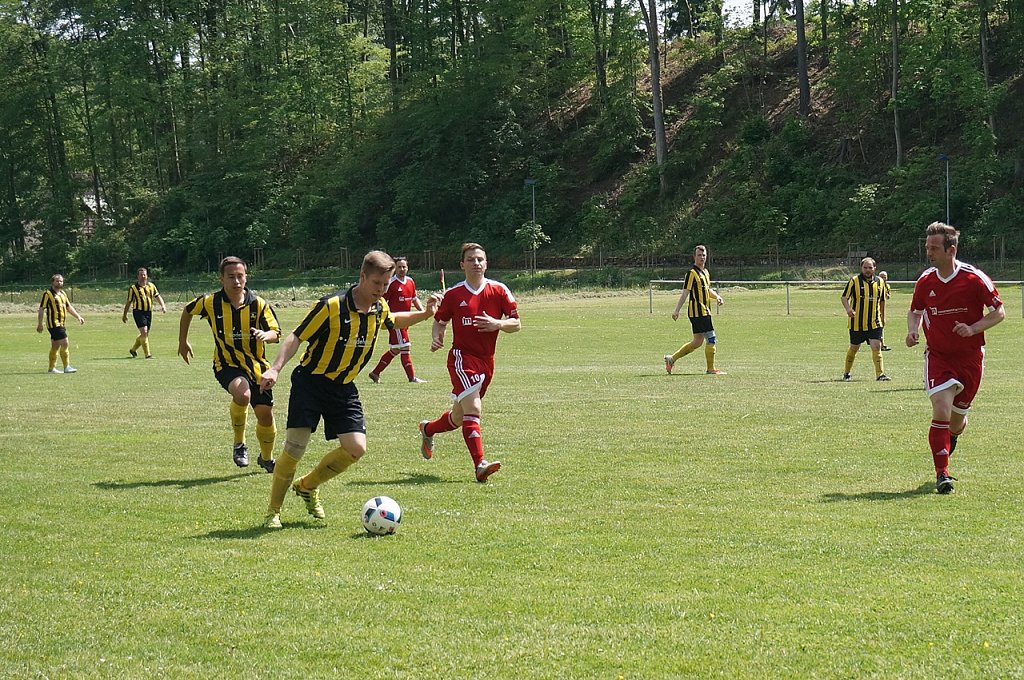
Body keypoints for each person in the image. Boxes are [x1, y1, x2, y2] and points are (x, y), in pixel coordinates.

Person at [258, 251, 441, 529]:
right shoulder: (331, 306)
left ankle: (307, 485)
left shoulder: (379, 307)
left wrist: (425, 314)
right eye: (377, 283)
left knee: (356, 448)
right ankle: (273, 512)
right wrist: (275, 368)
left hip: (343, 388)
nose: (381, 290)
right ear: (362, 276)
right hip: (311, 383)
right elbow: (296, 336)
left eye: (386, 284)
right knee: (294, 450)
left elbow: (394, 320)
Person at [906, 222, 1004, 494]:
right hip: (938, 356)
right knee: (941, 408)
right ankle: (942, 474)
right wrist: (913, 330)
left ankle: (952, 435)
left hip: (970, 358)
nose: (929, 253)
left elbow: (999, 312)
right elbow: (915, 310)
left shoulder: (974, 278)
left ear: (951, 250)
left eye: (934, 248)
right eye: (927, 247)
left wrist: (973, 329)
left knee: (957, 422)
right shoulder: (926, 280)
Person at [418, 243, 521, 483]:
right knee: (474, 409)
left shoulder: (499, 290)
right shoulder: (454, 294)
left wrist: (497, 324)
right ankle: (480, 465)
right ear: (462, 265)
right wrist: (437, 336)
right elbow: (440, 321)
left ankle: (428, 429)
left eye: (480, 259)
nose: (476, 263)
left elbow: (516, 323)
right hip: (461, 358)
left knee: (458, 417)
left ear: (486, 263)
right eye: (471, 259)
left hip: (487, 361)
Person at [178, 256, 281, 472]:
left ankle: (266, 458)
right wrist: (183, 341)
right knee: (243, 394)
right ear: (222, 279)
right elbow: (187, 310)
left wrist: (266, 335)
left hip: (258, 367)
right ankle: (239, 444)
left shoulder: (258, 304)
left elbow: (276, 332)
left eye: (240, 276)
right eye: (231, 277)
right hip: (226, 364)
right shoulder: (210, 302)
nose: (236, 281)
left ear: (246, 278)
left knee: (265, 415)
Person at [664, 245, 725, 375]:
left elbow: (707, 290)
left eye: (704, 255)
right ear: (694, 257)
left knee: (697, 342)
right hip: (698, 312)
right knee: (711, 338)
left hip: (705, 311)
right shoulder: (691, 273)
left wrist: (717, 297)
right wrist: (676, 310)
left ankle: (671, 359)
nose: (702, 258)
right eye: (699, 255)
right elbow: (685, 292)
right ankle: (711, 369)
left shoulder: (706, 272)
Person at [368, 256, 428, 384]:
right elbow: (382, 301)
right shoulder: (391, 284)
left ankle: (375, 373)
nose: (402, 269)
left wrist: (423, 312)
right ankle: (412, 378)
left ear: (407, 268)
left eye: (404, 266)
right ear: (395, 269)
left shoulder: (410, 281)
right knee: (405, 347)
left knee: (395, 349)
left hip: (406, 322)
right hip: (395, 321)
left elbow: (414, 298)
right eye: (399, 267)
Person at [840, 257, 889, 381]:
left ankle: (880, 374)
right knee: (854, 348)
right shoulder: (854, 281)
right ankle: (847, 373)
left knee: (876, 346)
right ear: (861, 268)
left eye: (870, 267)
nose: (867, 270)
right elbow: (844, 297)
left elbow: (882, 301)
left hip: (874, 322)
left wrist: (883, 317)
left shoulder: (880, 282)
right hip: (857, 323)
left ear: (874, 268)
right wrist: (848, 309)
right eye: (865, 267)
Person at [36, 273, 85, 373]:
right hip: (54, 324)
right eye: (57, 281)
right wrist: (40, 323)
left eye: (61, 281)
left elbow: (68, 307)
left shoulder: (63, 293)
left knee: (55, 346)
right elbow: (41, 308)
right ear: (53, 282)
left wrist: (78, 316)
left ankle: (51, 368)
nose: (59, 282)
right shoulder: (48, 294)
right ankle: (66, 367)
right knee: (65, 342)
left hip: (61, 323)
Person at [122, 266, 167, 358]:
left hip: (148, 312)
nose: (143, 276)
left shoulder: (151, 286)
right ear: (138, 276)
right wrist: (125, 314)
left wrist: (163, 306)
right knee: (144, 332)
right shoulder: (133, 288)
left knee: (145, 334)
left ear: (147, 276)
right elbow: (129, 301)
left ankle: (133, 349)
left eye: (144, 275)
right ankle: (148, 354)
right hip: (138, 312)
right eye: (141, 275)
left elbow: (158, 296)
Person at [878, 270, 892, 351]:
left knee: (882, 324)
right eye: (882, 277)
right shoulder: (875, 285)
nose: (883, 278)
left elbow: (888, 296)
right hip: (875, 308)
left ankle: (882, 344)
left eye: (885, 277)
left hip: (882, 308)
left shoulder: (887, 286)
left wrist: (887, 295)